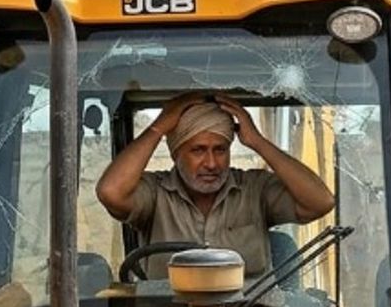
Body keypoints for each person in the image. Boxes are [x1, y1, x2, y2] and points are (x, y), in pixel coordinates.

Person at [96, 92, 335, 278]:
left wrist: (258, 141)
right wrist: (158, 128)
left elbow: (320, 202)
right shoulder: (155, 193)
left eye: (220, 150)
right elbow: (111, 192)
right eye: (198, 150)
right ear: (175, 154)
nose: (211, 163)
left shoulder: (254, 189)